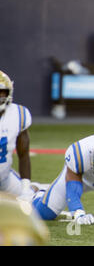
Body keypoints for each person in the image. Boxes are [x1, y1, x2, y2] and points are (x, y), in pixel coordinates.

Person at [0, 71, 35, 200]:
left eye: (1, 92)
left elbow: (24, 155)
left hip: (4, 178)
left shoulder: (18, 114)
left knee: (33, 204)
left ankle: (33, 188)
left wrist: (25, 189)